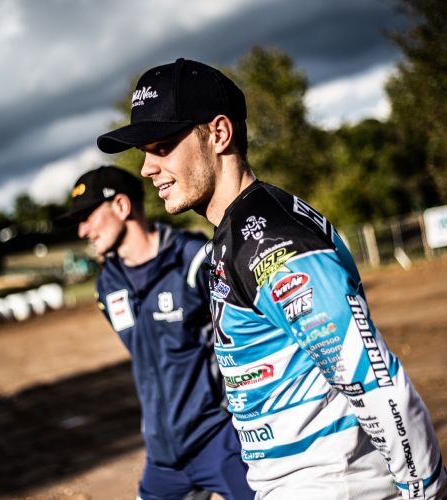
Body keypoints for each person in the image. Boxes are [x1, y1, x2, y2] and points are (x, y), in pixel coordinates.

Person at [96, 58, 447, 499]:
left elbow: (374, 379)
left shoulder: (269, 241)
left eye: (162, 147)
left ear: (219, 134)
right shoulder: (239, 232)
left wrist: (426, 490)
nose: (146, 168)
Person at [58, 166, 254, 500]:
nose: (82, 230)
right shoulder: (107, 285)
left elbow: (250, 338)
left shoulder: (194, 260)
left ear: (122, 206)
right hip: (163, 457)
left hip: (220, 440)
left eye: (88, 216)